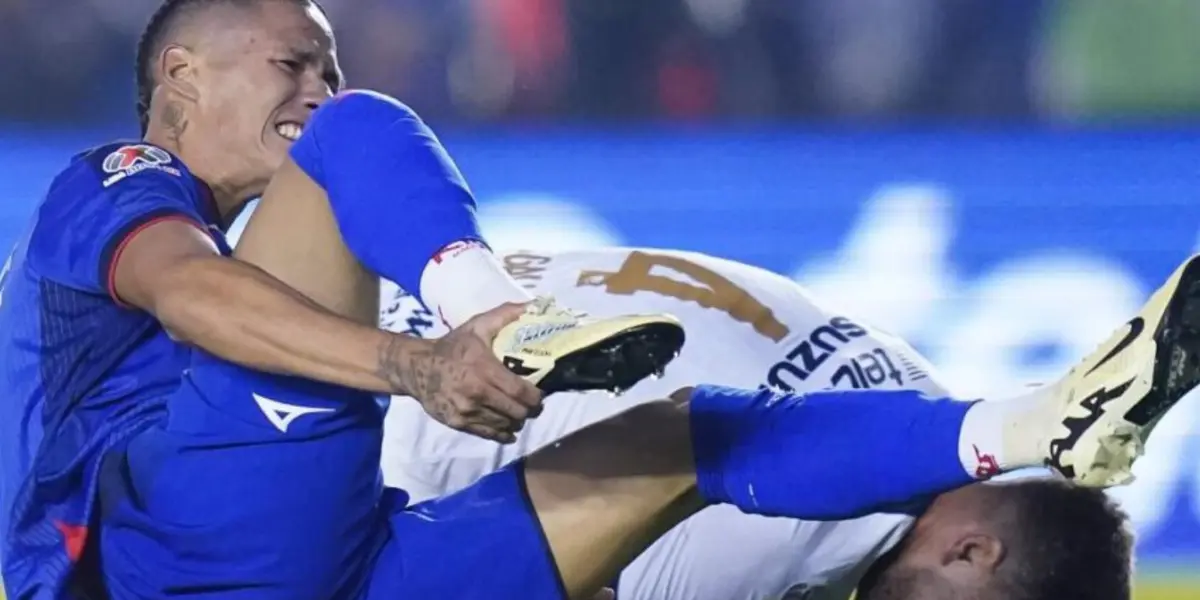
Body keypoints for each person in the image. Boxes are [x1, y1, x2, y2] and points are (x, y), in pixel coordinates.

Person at [92, 80, 1200, 599]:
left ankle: (1024, 422)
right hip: (323, 472)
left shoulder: (893, 390)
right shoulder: (791, 542)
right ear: (976, 555)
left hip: (303, 356)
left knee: (349, 136)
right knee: (676, 454)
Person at [0, 0, 681, 596]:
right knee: (355, 129)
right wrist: (416, 364)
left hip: (253, 563)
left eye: (328, 73)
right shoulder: (110, 181)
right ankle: (502, 316)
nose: (318, 91)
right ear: (183, 75)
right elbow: (189, 292)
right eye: (292, 64)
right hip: (150, 563)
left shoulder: (225, 266)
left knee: (694, 434)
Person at [380, 247, 1140, 600]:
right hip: (366, 442)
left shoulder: (902, 394)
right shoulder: (777, 529)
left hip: (400, 326)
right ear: (974, 551)